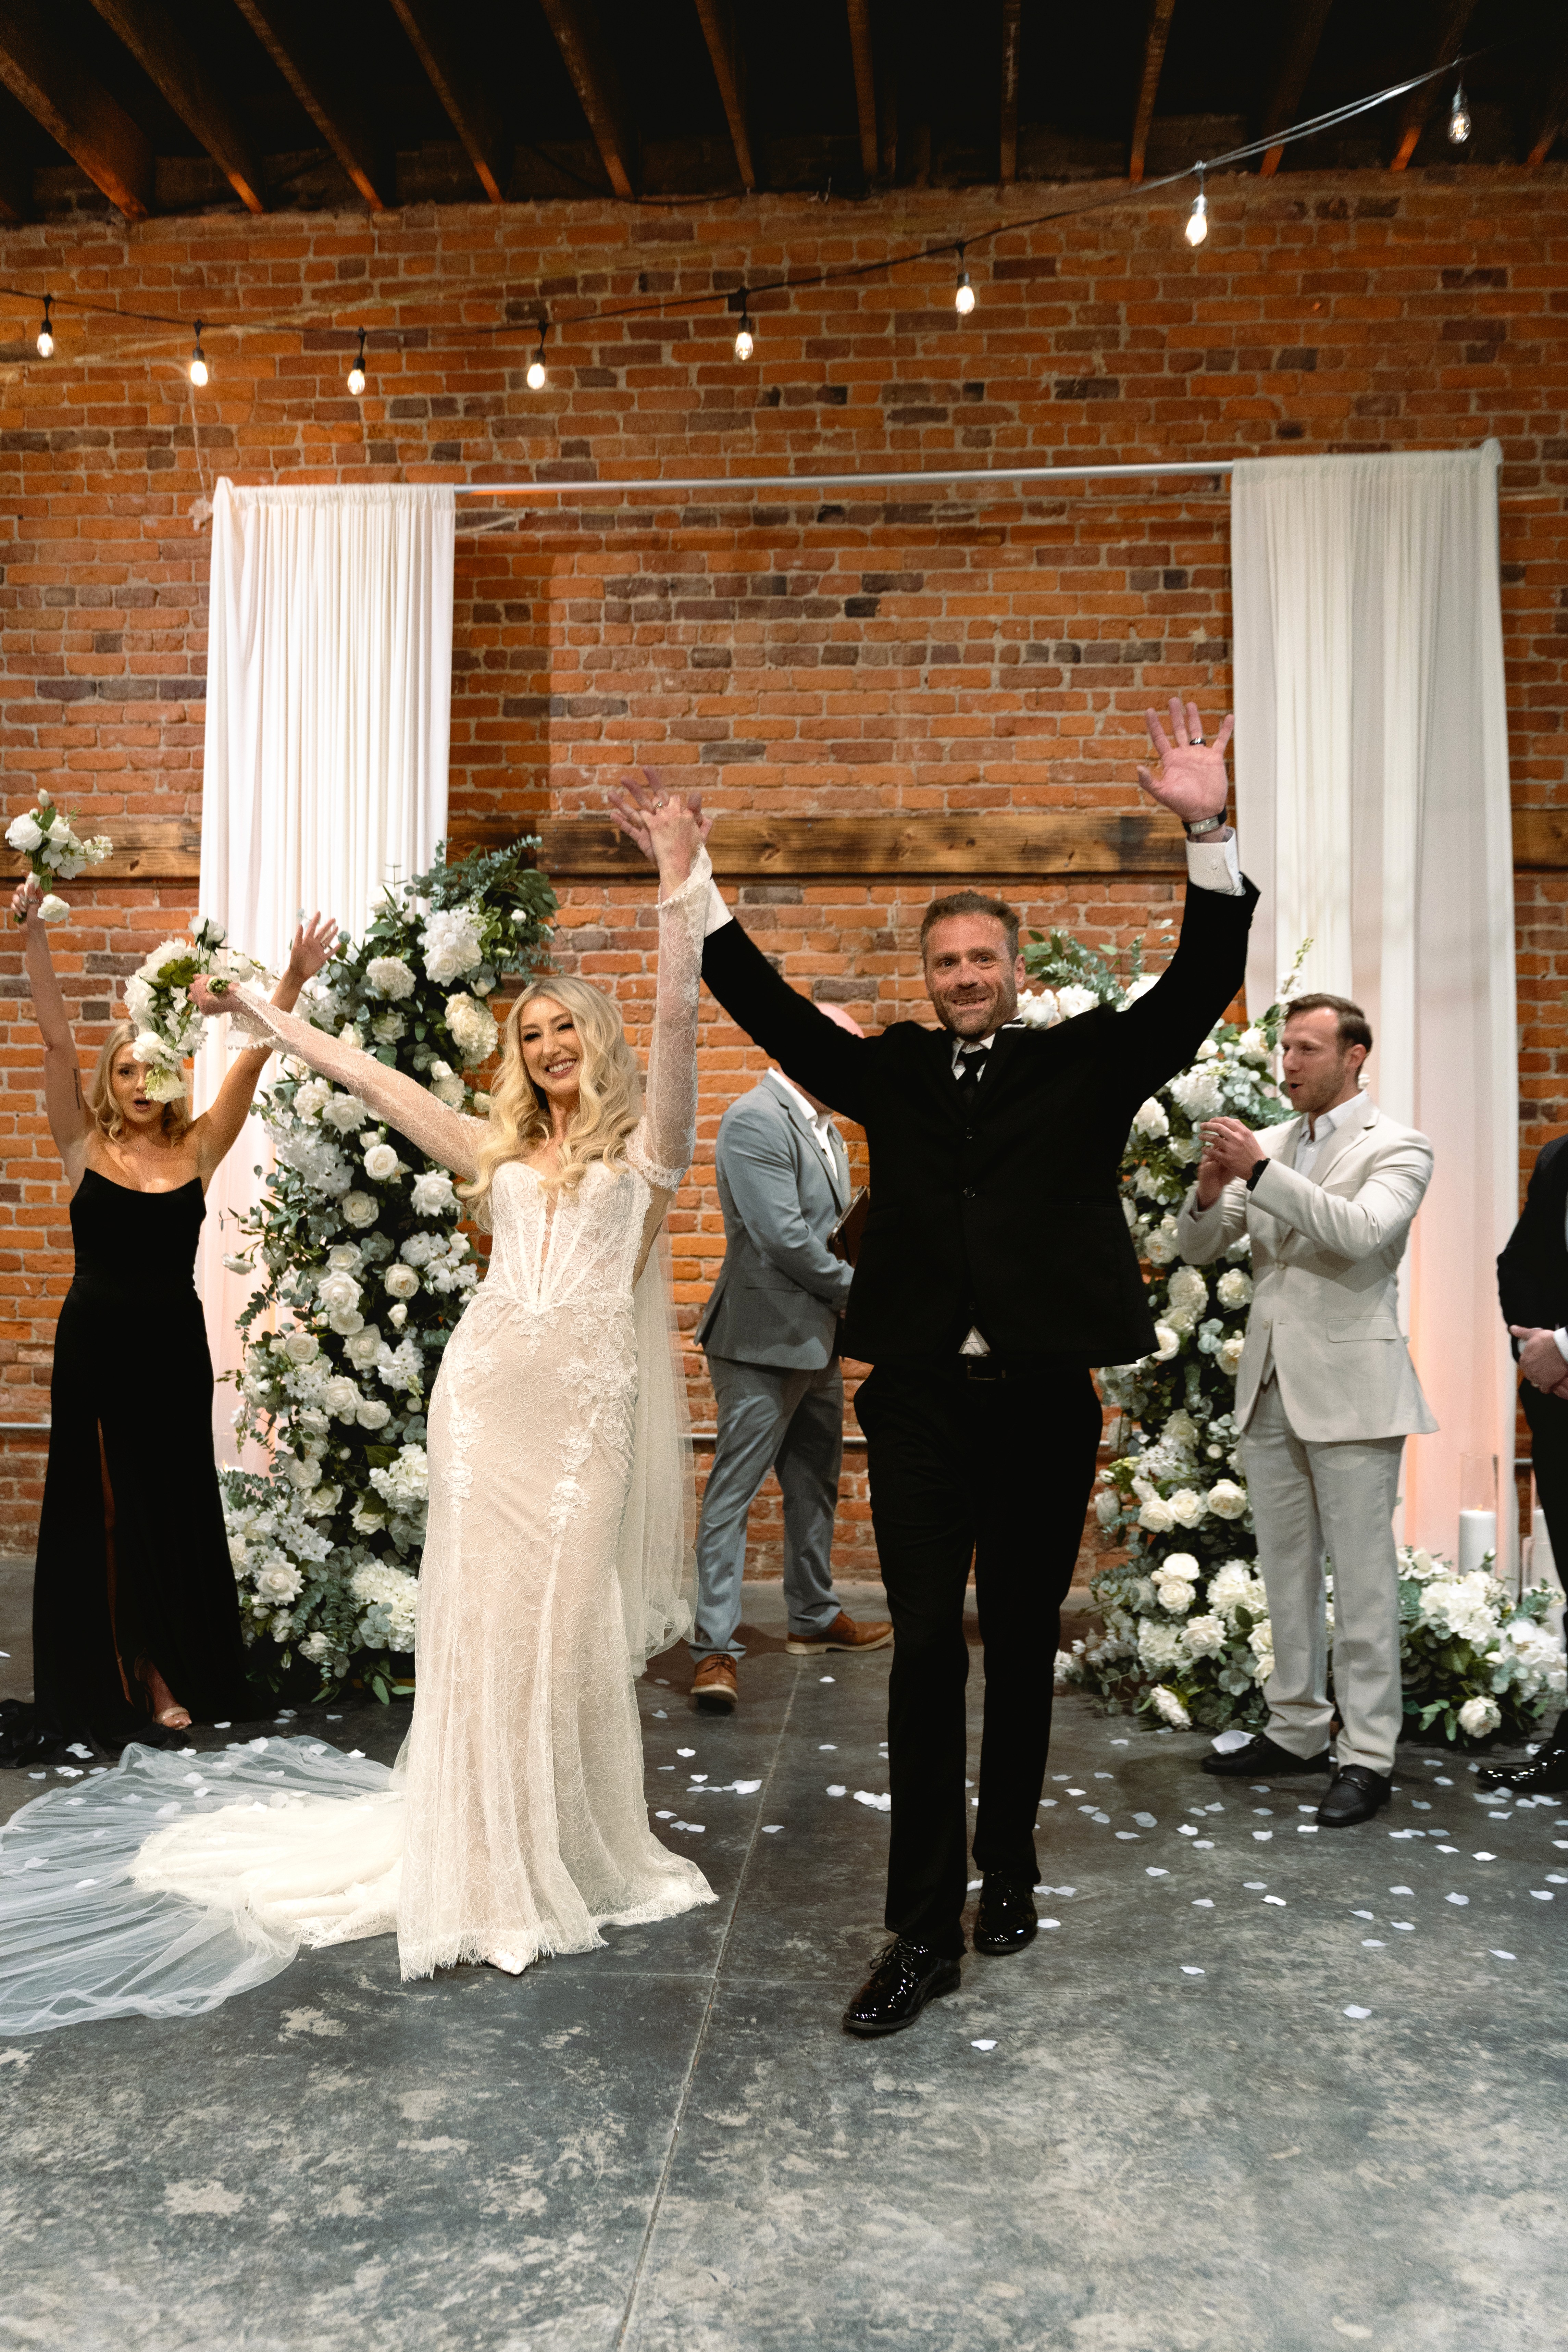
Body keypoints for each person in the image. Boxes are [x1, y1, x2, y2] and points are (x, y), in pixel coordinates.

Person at [0, 803, 717, 2032]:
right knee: (481, 1625)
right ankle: (485, 1854)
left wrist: (677, 882)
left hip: (582, 1422)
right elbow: (371, 1079)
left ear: (590, 1041)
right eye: (527, 1032)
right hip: (484, 1410)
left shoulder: (647, 1147)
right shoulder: (494, 1150)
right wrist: (274, 1016)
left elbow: (676, 1015)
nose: (544, 1045)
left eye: (560, 1029)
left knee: (563, 1623)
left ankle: (554, 1835)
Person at [612, 699, 1255, 2037]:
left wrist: (1205, 826)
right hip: (907, 1405)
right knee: (921, 1662)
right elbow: (772, 1010)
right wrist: (693, 881)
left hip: (1039, 1408)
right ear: (929, 973)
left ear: (1014, 967)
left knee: (1018, 1647)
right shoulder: (891, 1069)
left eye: (981, 957)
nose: (963, 974)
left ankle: (1006, 1869)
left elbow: (1199, 982)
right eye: (946, 960)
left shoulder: (1086, 1061)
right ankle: (918, 1931)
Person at [0, 876, 337, 1769]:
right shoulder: (84, 1144)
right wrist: (32, 933)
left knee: (168, 1508)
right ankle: (127, 1674)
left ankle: (169, 1664)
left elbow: (255, 1061)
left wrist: (293, 981)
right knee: (108, 1512)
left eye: (154, 1065)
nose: (140, 1080)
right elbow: (55, 1034)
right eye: (126, 1068)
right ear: (111, 1079)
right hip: (97, 1350)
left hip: (173, 1354)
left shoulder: (196, 1146)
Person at [1177, 994, 1436, 1826]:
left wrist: (1257, 1171)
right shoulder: (1278, 1144)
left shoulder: (1398, 1144)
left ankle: (1367, 1755)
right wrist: (1213, 1190)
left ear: (1356, 1054)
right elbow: (1199, 1247)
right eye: (1284, 1047)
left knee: (1361, 1584)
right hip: (1271, 1383)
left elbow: (1359, 1231)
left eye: (1307, 1049)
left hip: (1355, 1392)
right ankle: (1295, 1728)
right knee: (1285, 1574)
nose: (1288, 1063)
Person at [690, 1017, 892, 1714]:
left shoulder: (826, 1126)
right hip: (758, 1339)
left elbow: (828, 1226)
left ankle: (813, 1614)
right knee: (734, 1493)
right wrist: (863, 1294)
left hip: (818, 1339)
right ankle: (715, 1646)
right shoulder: (755, 1118)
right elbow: (782, 1238)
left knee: (816, 1483)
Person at [1489, 1136, 1568, 1794]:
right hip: (1560, 1409)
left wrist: (1566, 1347)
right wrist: (1538, 1359)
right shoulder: (1558, 1157)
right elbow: (1517, 1265)